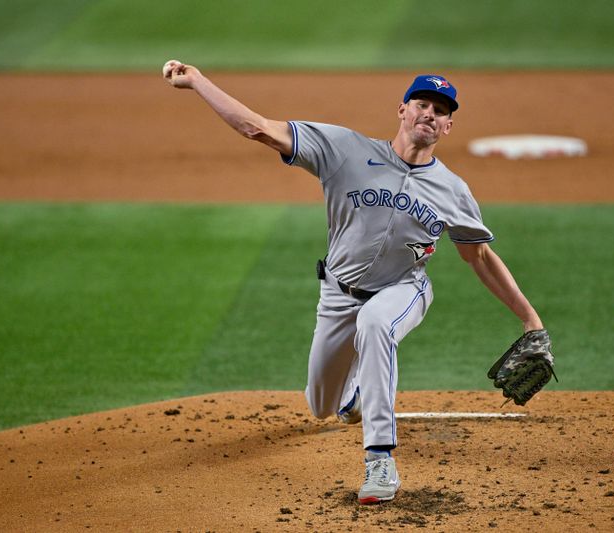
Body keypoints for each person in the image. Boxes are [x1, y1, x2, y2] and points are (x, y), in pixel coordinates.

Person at [163, 61, 550, 504]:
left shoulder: (453, 190)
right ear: (402, 110)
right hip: (337, 295)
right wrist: (197, 82)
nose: (429, 113)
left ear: (447, 126)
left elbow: (477, 255)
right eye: (422, 103)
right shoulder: (343, 149)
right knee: (321, 406)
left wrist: (529, 317)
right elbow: (257, 128)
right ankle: (352, 398)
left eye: (440, 110)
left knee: (375, 324)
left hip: (404, 290)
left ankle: (380, 460)